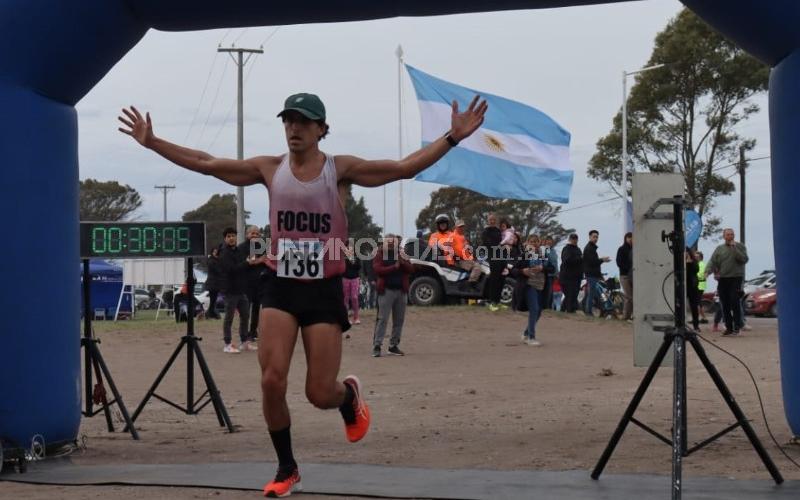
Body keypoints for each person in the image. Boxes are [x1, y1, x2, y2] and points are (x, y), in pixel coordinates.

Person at [118, 91, 487, 497]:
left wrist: (451, 138)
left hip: (324, 290)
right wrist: (153, 142)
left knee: (318, 393)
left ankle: (348, 397)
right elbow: (208, 164)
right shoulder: (268, 168)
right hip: (280, 285)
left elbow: (402, 168)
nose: (294, 128)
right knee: (272, 380)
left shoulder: (339, 170)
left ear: (321, 130)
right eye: (289, 121)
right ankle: (286, 467)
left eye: (304, 122)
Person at [372, 234, 414, 357]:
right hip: (386, 291)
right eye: (388, 242)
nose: (391, 243)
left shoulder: (402, 253)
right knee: (382, 319)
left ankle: (393, 345)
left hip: (401, 291)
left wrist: (403, 263)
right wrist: (393, 267)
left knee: (399, 320)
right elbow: (377, 269)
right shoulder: (379, 253)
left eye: (393, 242)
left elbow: (411, 269)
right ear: (384, 242)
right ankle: (377, 345)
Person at [705, 228, 748, 335]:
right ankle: (729, 328)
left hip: (736, 278)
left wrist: (735, 249)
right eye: (728, 235)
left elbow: (744, 259)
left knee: (735, 302)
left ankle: (737, 327)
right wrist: (707, 272)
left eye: (732, 234)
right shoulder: (719, 249)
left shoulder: (740, 246)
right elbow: (713, 262)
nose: (730, 236)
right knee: (725, 304)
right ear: (724, 236)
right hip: (723, 279)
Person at [220, 227, 255, 353]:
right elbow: (232, 270)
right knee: (229, 318)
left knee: (245, 316)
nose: (231, 238)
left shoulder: (239, 251)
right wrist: (247, 263)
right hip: (230, 291)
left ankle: (244, 342)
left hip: (241, 290)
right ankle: (228, 344)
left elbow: (243, 267)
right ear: (225, 239)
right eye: (228, 236)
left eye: (233, 236)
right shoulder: (224, 253)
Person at [515, 234, 547, 346]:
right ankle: (531, 337)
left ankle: (525, 333)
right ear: (528, 242)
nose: (534, 243)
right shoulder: (524, 255)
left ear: (539, 243)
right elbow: (514, 269)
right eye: (532, 241)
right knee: (534, 309)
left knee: (538, 312)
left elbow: (552, 267)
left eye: (536, 241)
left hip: (540, 286)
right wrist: (523, 271)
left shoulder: (542, 255)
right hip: (528, 285)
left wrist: (542, 268)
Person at [242, 225, 265, 341]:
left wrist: (260, 260)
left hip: (259, 283)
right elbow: (240, 264)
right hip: (246, 283)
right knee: (245, 309)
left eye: (257, 233)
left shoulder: (263, 246)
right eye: (252, 233)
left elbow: (267, 260)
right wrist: (252, 262)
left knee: (256, 309)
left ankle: (253, 331)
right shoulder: (241, 247)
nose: (255, 235)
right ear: (247, 234)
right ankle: (244, 333)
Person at [583, 230, 611, 317]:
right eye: (594, 236)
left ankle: (592, 310)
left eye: (597, 237)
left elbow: (594, 262)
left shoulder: (592, 248)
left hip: (594, 274)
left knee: (593, 293)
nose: (596, 238)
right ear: (590, 237)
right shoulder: (589, 248)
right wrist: (602, 259)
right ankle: (588, 311)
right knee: (591, 294)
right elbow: (592, 262)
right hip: (591, 274)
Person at [481, 213, 504, 311]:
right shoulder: (485, 232)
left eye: (494, 219)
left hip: (501, 258)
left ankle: (497, 301)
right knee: (493, 280)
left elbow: (502, 242)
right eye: (490, 220)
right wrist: (497, 245)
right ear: (488, 221)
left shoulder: (499, 231)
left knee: (500, 280)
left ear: (496, 221)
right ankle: (491, 302)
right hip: (492, 258)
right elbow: (487, 243)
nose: (492, 221)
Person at [453, 219, 482, 285]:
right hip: (460, 260)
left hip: (466, 260)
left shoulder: (462, 237)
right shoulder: (453, 236)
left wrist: (474, 255)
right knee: (478, 267)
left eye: (462, 226)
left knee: (480, 264)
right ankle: (471, 284)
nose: (461, 228)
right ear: (456, 227)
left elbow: (468, 248)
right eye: (459, 227)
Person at [559, 233, 583, 313]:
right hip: (567, 277)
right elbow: (566, 261)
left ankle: (564, 310)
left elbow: (582, 262)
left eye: (576, 239)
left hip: (577, 277)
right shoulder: (566, 249)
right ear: (570, 239)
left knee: (573, 295)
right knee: (569, 294)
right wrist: (579, 259)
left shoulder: (578, 250)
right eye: (573, 239)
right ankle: (570, 311)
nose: (574, 240)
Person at [342, 241, 361, 325]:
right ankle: (345, 318)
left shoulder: (356, 257)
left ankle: (356, 317)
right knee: (345, 298)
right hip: (345, 279)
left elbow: (358, 267)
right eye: (348, 247)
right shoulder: (342, 258)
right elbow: (341, 268)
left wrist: (352, 259)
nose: (349, 249)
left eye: (351, 247)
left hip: (355, 278)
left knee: (354, 297)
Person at [616, 232, 633, 321]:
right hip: (624, 275)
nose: (630, 239)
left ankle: (632, 315)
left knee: (634, 296)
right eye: (629, 237)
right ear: (625, 238)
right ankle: (625, 316)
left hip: (634, 276)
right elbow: (619, 262)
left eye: (632, 238)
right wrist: (628, 268)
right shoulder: (622, 249)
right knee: (628, 296)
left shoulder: (635, 249)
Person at [204, 245, 223, 319]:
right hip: (212, 284)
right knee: (213, 300)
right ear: (212, 253)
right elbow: (218, 271)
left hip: (215, 284)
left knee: (213, 300)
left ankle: (211, 313)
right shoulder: (212, 261)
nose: (215, 253)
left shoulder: (215, 260)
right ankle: (210, 313)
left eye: (216, 252)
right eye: (214, 252)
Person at [686, 247, 701, 331]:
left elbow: (695, 270)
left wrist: (689, 262)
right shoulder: (679, 262)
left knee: (694, 306)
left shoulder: (694, 262)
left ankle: (696, 325)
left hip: (692, 286)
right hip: (683, 285)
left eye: (686, 252)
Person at [543, 235, 559, 309]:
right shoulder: (544, 250)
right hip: (546, 273)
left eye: (550, 241)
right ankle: (546, 306)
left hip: (553, 274)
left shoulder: (554, 251)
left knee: (551, 291)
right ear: (545, 242)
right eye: (547, 241)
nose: (549, 242)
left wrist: (557, 273)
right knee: (547, 291)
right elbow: (545, 262)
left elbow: (555, 263)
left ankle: (549, 306)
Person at [696, 251, 708, 323]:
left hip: (700, 285)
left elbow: (701, 274)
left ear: (700, 257)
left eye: (697, 257)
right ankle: (702, 317)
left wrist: (693, 275)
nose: (695, 258)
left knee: (697, 302)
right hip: (699, 284)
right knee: (698, 302)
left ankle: (703, 318)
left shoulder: (702, 265)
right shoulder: (698, 264)